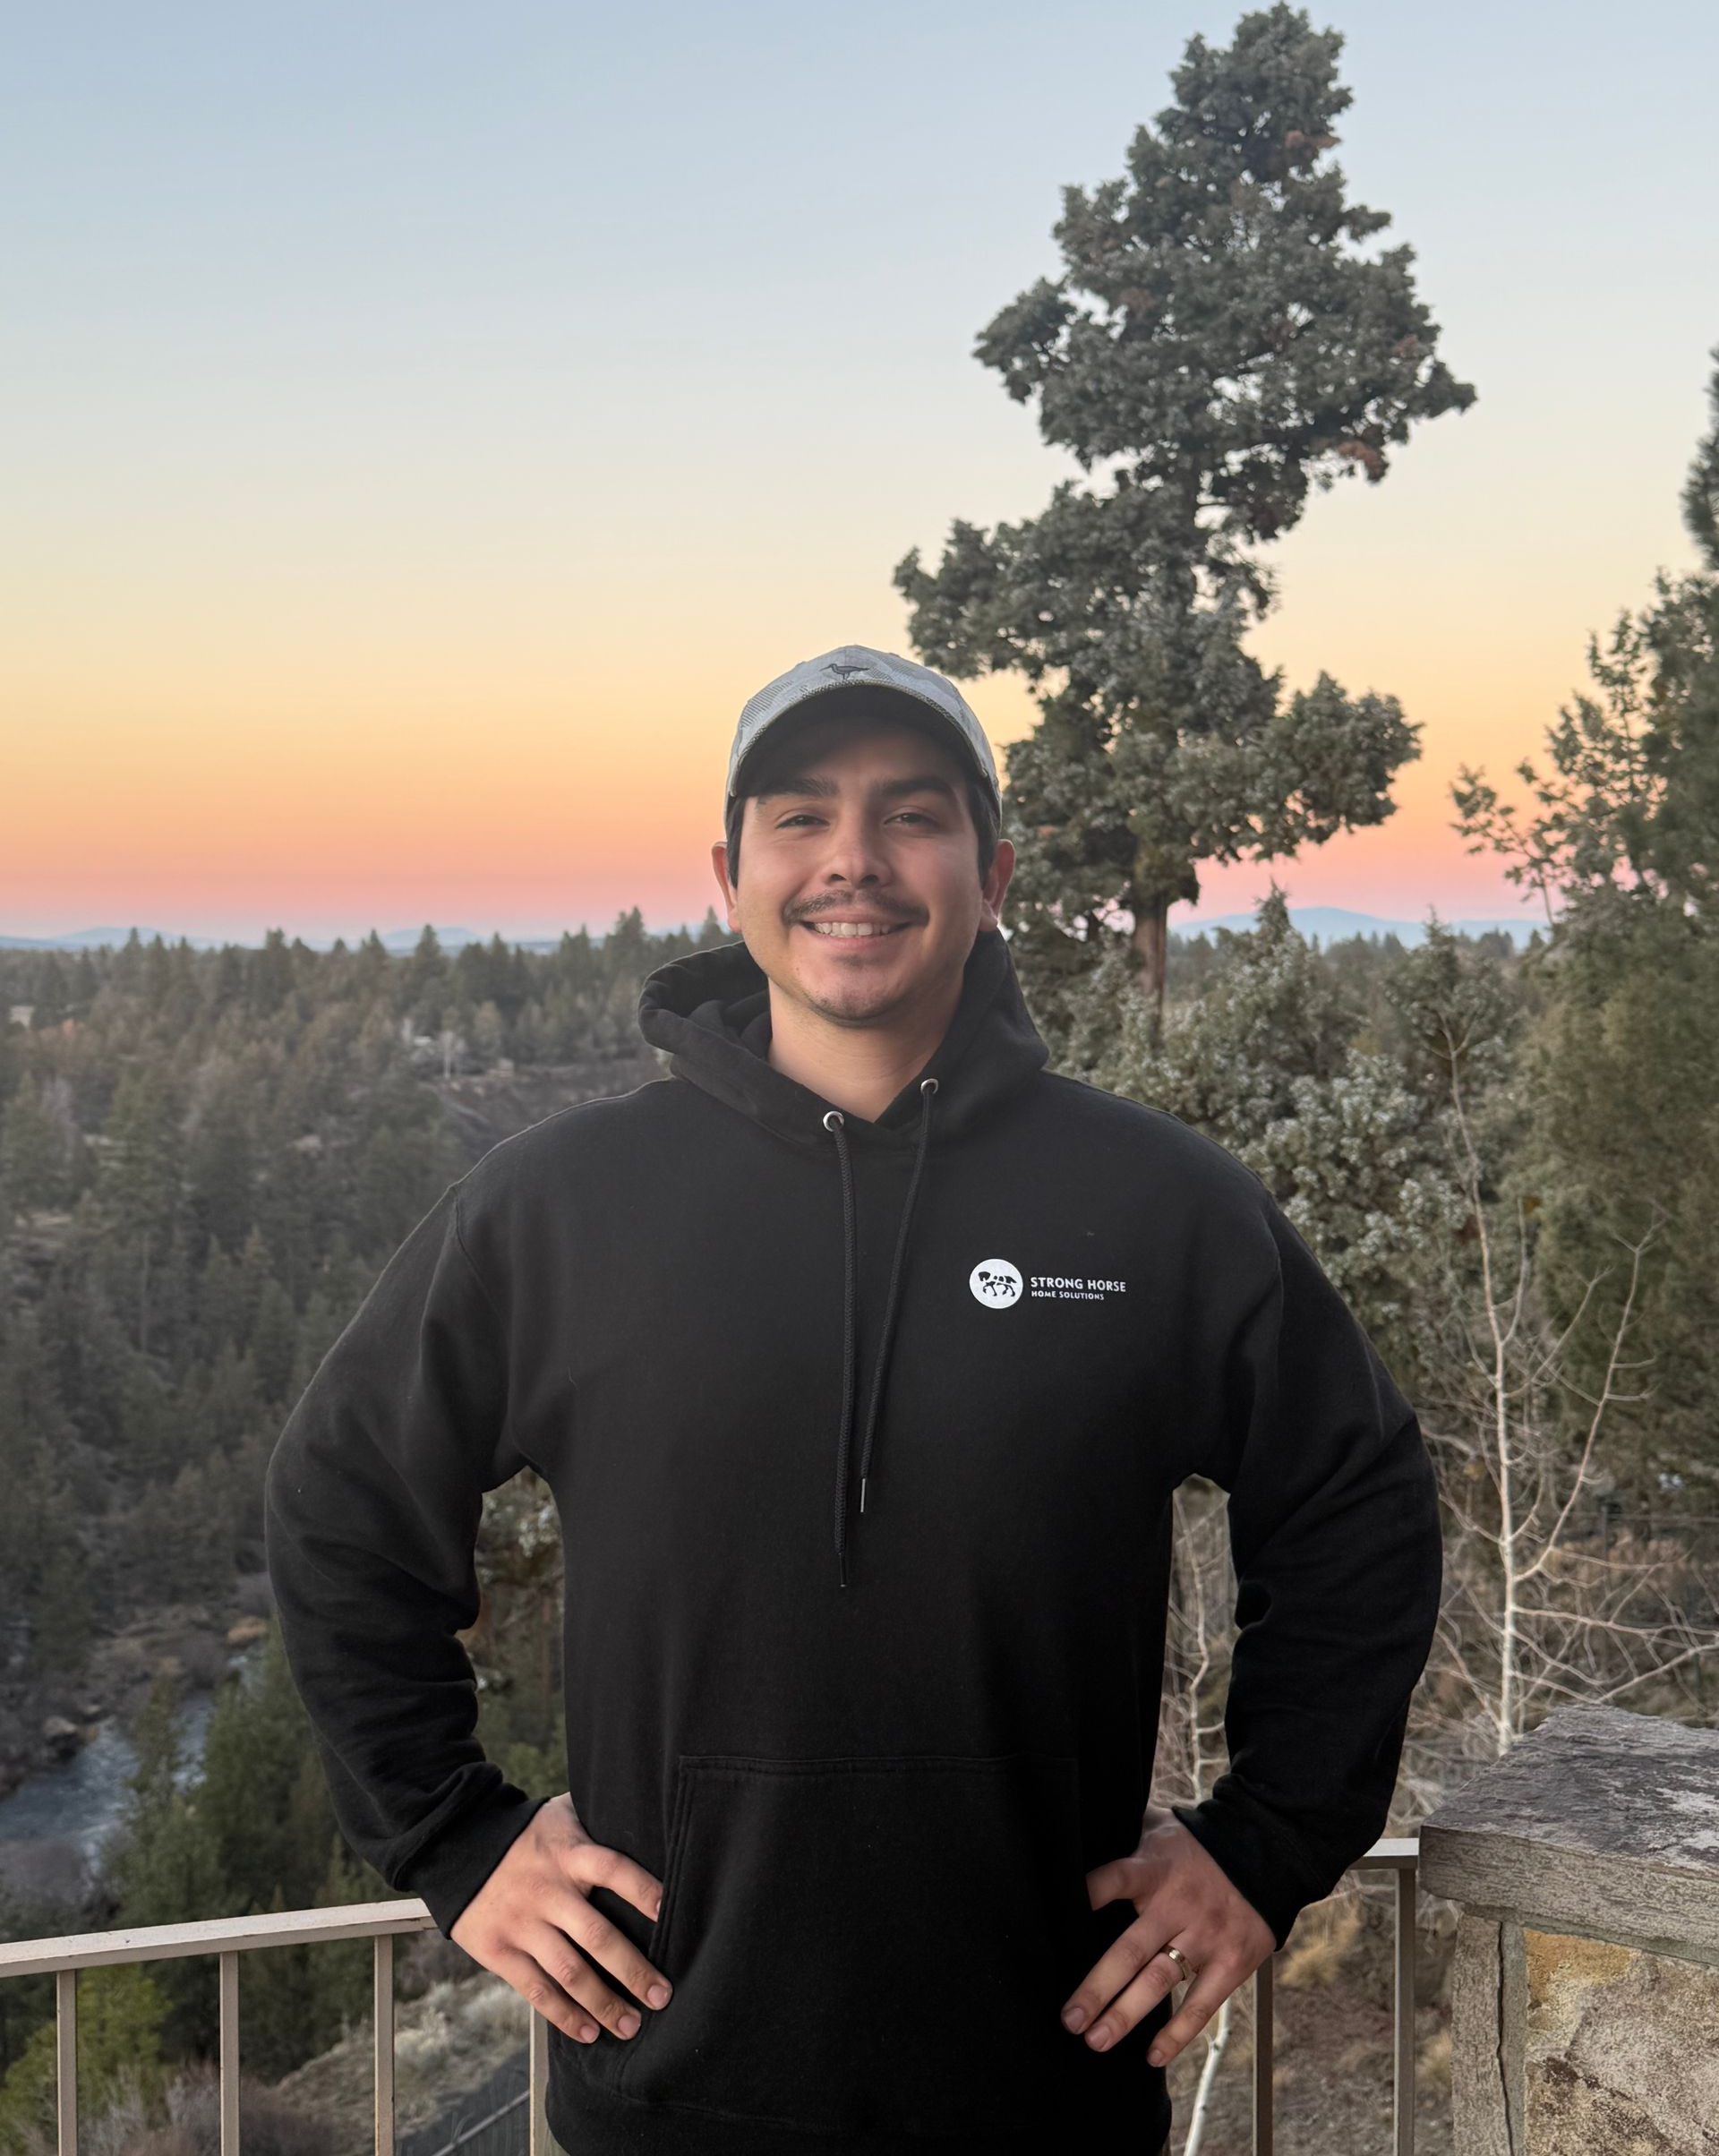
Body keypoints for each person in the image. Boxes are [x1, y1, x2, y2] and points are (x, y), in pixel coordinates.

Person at [264, 643, 1444, 2156]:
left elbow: (1357, 1506)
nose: (856, 864)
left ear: (993, 870)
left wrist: (1267, 1846)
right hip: (663, 2096)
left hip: (1050, 2090)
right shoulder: (559, 1208)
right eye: (803, 817)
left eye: (914, 815)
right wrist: (454, 1835)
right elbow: (340, 1506)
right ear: (730, 871)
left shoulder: (1157, 1209)